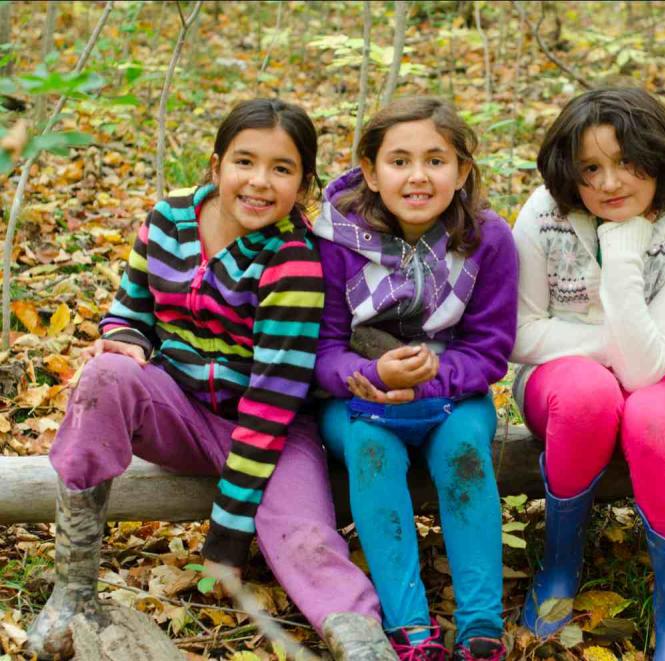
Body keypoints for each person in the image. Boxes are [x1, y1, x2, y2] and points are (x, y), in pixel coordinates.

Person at [28, 99, 395, 660]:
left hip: (270, 431)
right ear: (217, 164)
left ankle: (362, 643)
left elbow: (272, 403)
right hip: (178, 408)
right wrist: (126, 338)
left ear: (303, 183)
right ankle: (72, 590)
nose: (258, 182)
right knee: (105, 373)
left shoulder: (293, 260)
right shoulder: (168, 221)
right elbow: (130, 314)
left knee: (308, 541)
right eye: (244, 162)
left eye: (281, 168)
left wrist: (227, 536)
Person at [511, 87, 665, 659]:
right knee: (588, 392)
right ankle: (561, 563)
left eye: (626, 163)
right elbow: (521, 333)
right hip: (558, 381)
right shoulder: (542, 215)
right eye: (591, 169)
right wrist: (608, 346)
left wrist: (625, 253)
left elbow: (648, 369)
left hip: (664, 387)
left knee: (652, 415)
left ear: (657, 158)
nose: (609, 183)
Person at [313, 96, 516, 661]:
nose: (418, 175)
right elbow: (322, 349)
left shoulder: (489, 238)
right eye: (399, 161)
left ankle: (480, 623)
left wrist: (427, 379)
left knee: (465, 453)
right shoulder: (333, 240)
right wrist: (371, 373)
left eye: (436, 159)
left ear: (462, 171)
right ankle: (410, 628)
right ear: (372, 173)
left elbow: (489, 350)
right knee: (371, 451)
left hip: (452, 395)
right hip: (357, 397)